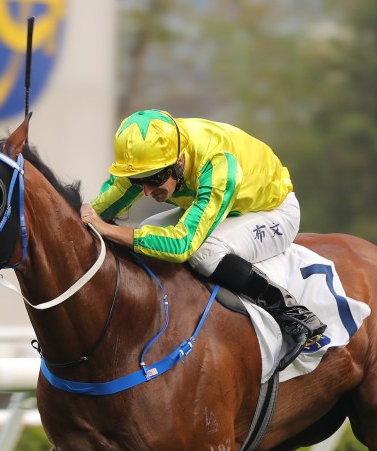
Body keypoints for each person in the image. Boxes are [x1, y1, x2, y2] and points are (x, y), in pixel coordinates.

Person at [81, 109, 325, 369]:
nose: (147, 190)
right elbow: (99, 211)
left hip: (272, 211)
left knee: (204, 252)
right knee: (148, 228)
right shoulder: (152, 158)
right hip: (231, 208)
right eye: (137, 180)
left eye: (154, 180)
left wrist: (108, 231)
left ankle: (292, 313)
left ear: (179, 162)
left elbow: (181, 245)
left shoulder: (218, 163)